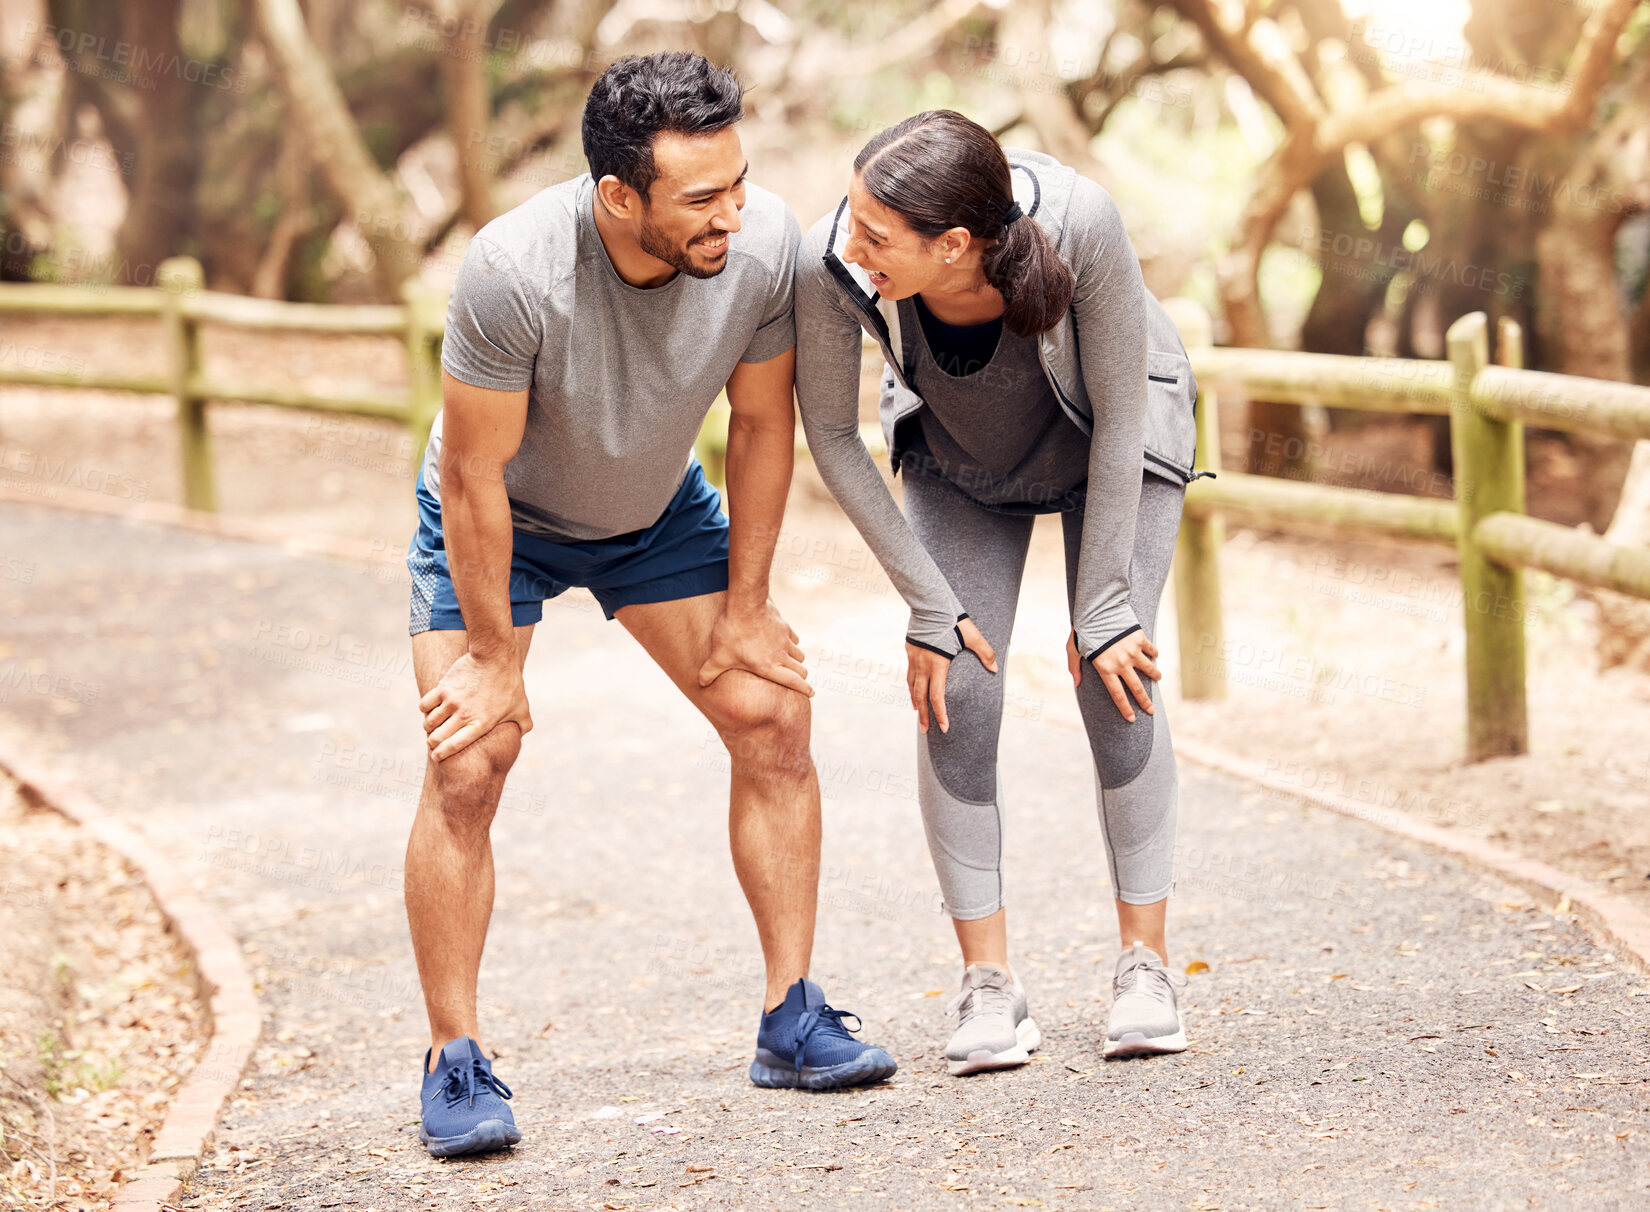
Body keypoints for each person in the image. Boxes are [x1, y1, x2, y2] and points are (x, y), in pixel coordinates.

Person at [403, 52, 895, 1159]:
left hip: (655, 511)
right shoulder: (513, 271)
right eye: (700, 198)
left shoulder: (763, 242)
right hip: (502, 521)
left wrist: (752, 604)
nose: (733, 214)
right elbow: (474, 476)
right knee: (467, 762)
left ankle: (792, 1015)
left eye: (739, 183)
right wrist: (492, 655)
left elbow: (764, 424)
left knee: (773, 714)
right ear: (619, 196)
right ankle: (456, 1060)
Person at [794, 110, 1204, 1076]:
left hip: (1113, 438)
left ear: (956, 244)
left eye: (876, 235)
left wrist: (1103, 604)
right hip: (962, 460)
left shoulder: (1080, 222)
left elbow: (1118, 418)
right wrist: (927, 607)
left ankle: (1146, 966)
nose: (851, 245)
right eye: (852, 218)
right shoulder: (836, 261)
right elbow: (834, 437)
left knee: (1116, 677)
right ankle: (990, 986)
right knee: (958, 694)